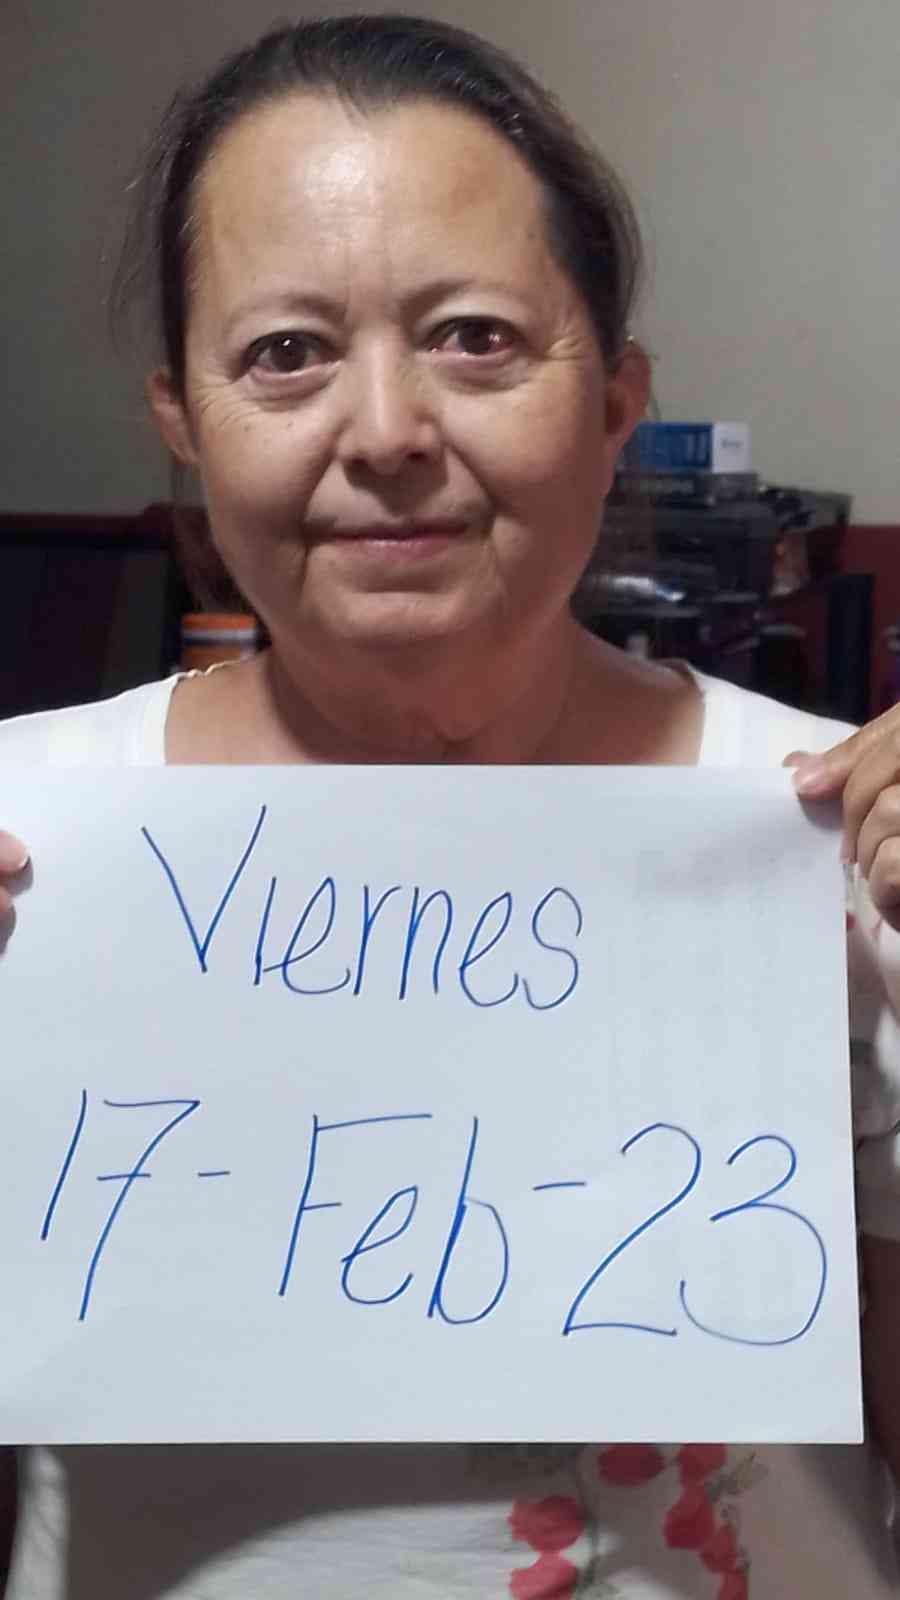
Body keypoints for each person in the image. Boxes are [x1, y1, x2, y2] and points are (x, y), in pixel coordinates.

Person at [2, 14, 900, 1596]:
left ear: (615, 402)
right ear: (182, 420)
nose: (387, 435)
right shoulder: (34, 846)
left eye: (476, 337)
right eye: (285, 354)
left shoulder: (836, 843)